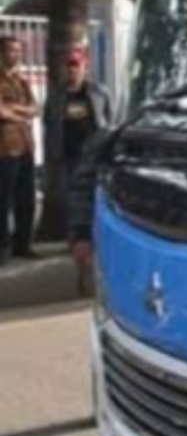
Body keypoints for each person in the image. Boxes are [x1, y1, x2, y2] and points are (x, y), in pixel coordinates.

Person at [45, 48, 111, 285]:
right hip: (70, 159)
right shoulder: (57, 96)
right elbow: (48, 125)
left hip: (96, 158)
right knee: (75, 203)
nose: (73, 70)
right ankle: (78, 245)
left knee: (98, 200)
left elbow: (110, 122)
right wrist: (52, 154)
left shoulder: (98, 93)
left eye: (77, 65)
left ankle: (96, 244)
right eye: (69, 66)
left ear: (85, 67)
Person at [0, 36, 38, 265]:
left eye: (18, 51)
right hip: (5, 147)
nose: (15, 55)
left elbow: (35, 108)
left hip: (25, 145)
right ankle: (2, 246)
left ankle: (22, 244)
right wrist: (19, 114)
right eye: (11, 50)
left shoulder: (22, 81)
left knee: (27, 198)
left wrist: (15, 110)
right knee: (4, 200)